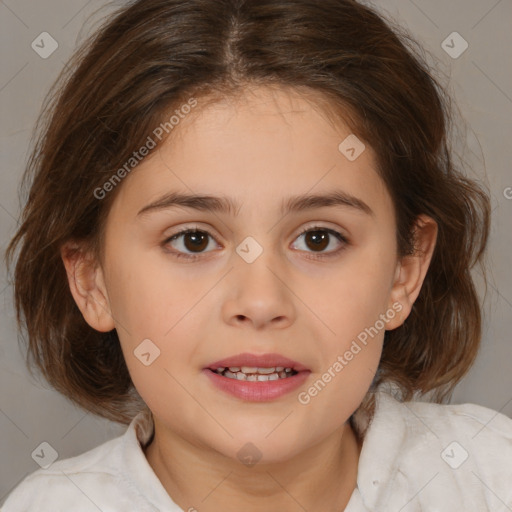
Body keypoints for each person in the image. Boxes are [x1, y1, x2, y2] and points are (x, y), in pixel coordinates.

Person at [3, 0, 511, 510]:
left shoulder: (488, 475)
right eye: (193, 240)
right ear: (93, 281)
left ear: (405, 271)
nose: (262, 301)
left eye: (318, 239)